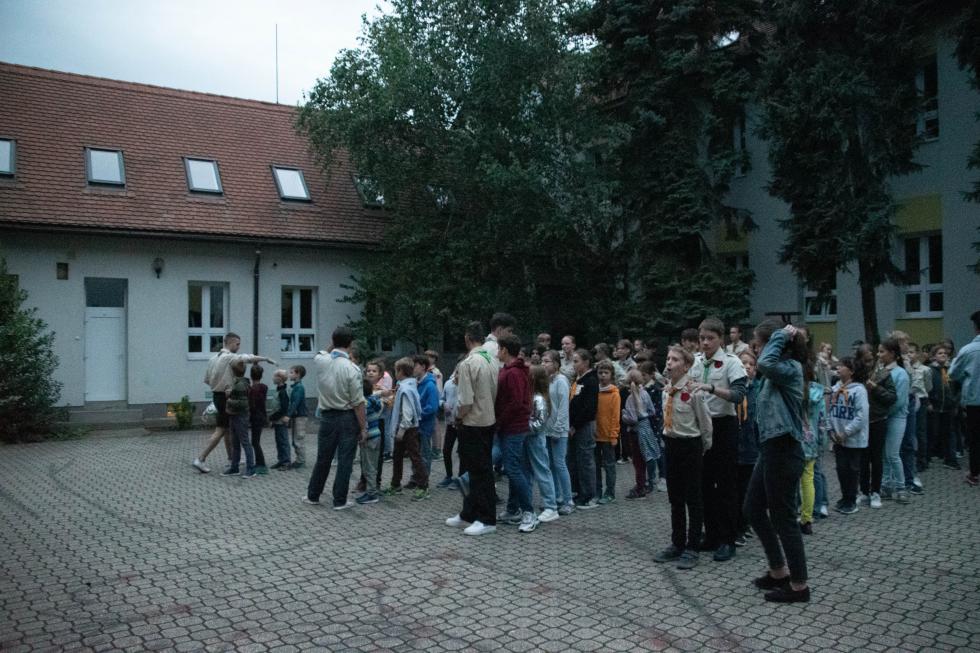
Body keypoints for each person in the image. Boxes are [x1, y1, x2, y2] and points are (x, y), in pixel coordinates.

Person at [744, 320, 810, 603]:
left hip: (785, 450)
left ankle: (799, 586)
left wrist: (781, 335)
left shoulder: (789, 368)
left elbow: (765, 363)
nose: (755, 349)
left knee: (783, 519)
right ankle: (778, 571)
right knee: (753, 508)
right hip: (770, 449)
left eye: (758, 344)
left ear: (774, 344)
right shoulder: (774, 374)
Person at [692, 317, 748, 563]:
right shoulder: (695, 361)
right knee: (704, 484)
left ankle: (728, 539)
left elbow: (738, 395)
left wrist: (711, 388)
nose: (705, 343)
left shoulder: (731, 363)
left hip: (724, 426)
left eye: (710, 338)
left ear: (720, 339)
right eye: (702, 338)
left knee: (725, 485)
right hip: (700, 426)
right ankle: (711, 534)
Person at [653, 345, 712, 570]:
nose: (669, 362)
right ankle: (677, 543)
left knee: (693, 498)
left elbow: (705, 423)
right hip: (671, 445)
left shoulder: (694, 391)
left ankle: (692, 547)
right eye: (668, 358)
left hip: (690, 445)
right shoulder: (667, 391)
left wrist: (703, 447)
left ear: (686, 366)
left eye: (675, 359)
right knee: (675, 498)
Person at [445, 321, 499, 536]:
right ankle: (469, 513)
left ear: (467, 338)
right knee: (476, 470)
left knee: (479, 472)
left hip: (472, 422)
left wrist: (457, 417)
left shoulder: (469, 363)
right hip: (487, 420)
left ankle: (486, 519)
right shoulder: (491, 359)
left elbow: (465, 400)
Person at [305, 327, 368, 510]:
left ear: (333, 341)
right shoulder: (352, 368)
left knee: (323, 458)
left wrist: (334, 342)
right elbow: (358, 402)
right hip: (347, 417)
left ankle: (313, 495)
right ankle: (339, 500)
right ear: (351, 344)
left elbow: (325, 351)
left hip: (326, 416)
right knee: (345, 460)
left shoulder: (321, 360)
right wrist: (363, 427)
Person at [194, 332, 275, 473]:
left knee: (227, 429)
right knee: (221, 429)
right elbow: (247, 358)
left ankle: (232, 459)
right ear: (230, 343)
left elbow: (207, 380)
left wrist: (218, 385)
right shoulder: (229, 357)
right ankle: (201, 458)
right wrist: (265, 359)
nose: (238, 347)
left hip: (217, 395)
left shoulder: (213, 359)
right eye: (237, 344)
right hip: (226, 397)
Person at [495, 334, 538, 533]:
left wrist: (500, 420)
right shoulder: (509, 370)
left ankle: (529, 512)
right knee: (513, 468)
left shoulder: (514, 373)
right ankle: (513, 509)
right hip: (509, 427)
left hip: (513, 427)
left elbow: (516, 402)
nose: (497, 351)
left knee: (514, 469)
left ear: (505, 350)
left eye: (499, 348)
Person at [827, 356, 869, 514]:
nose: (838, 368)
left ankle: (851, 500)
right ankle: (844, 497)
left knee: (852, 470)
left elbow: (861, 416)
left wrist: (846, 432)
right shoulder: (834, 388)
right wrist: (831, 430)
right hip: (837, 438)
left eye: (842, 366)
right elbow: (828, 410)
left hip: (853, 439)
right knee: (841, 469)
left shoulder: (859, 390)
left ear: (851, 371)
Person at [382, 358, 427, 499]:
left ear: (400, 371)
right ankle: (395, 484)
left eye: (396, 370)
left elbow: (408, 413)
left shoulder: (405, 389)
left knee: (415, 457)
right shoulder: (407, 386)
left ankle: (423, 486)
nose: (395, 373)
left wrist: (401, 431)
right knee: (397, 457)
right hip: (405, 428)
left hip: (407, 429)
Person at [876, 338, 911, 504]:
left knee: (893, 454)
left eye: (882, 351)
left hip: (896, 417)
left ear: (892, 353)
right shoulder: (881, 370)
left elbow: (900, 402)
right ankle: (886, 486)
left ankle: (901, 488)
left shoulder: (901, 374)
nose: (878, 355)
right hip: (884, 417)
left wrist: (883, 413)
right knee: (885, 454)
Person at [949, 309, 980, 486]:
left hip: (974, 400)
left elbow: (953, 374)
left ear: (975, 327)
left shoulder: (968, 350)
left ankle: (974, 473)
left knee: (975, 438)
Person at [541, 350, 574, 515]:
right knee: (550, 465)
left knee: (560, 464)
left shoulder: (561, 381)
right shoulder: (546, 381)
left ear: (555, 363)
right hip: (546, 429)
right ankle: (555, 497)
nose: (543, 364)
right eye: (542, 361)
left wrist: (558, 428)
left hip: (558, 430)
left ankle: (568, 500)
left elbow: (563, 408)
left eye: (547, 361)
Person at [859, 343, 890, 509]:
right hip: (862, 422)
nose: (867, 364)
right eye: (864, 361)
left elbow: (891, 397)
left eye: (870, 360)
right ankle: (864, 491)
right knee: (863, 458)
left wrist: (876, 388)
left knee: (876, 458)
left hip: (878, 420)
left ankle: (876, 491)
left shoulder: (884, 374)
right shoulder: (857, 375)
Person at [622, 368, 661, 499]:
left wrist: (624, 415)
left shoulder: (630, 399)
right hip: (647, 428)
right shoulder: (645, 394)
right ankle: (649, 482)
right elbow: (652, 411)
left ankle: (640, 487)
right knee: (648, 456)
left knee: (638, 461)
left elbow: (632, 419)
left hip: (636, 431)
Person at [527, 363, 559, 523]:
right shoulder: (532, 396)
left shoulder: (539, 399)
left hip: (535, 439)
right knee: (530, 471)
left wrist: (522, 426)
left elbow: (539, 423)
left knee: (542, 470)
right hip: (529, 438)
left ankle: (551, 506)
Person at [568, 348, 599, 509]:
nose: (573, 365)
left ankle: (589, 495)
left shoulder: (591, 381)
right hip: (574, 426)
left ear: (586, 362)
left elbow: (589, 408)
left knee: (586, 460)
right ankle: (578, 491)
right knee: (576, 460)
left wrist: (575, 425)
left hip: (584, 426)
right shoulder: (578, 380)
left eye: (576, 361)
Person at [734, 350, 759, 546]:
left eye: (751, 364)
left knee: (747, 489)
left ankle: (745, 523)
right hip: (734, 446)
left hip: (751, 447)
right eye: (744, 363)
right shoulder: (733, 388)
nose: (748, 367)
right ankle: (737, 528)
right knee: (735, 490)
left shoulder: (758, 389)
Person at [798, 379, 826, 534]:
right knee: (808, 480)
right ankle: (807, 519)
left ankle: (789, 517)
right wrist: (822, 441)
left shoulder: (790, 387)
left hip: (794, 440)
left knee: (790, 481)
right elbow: (822, 420)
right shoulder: (818, 392)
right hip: (811, 440)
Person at [221, 360, 257, 478]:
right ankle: (234, 467)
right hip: (234, 415)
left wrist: (228, 398)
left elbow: (242, 403)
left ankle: (251, 469)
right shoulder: (238, 383)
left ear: (233, 371)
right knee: (235, 443)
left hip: (240, 416)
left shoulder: (240, 384)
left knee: (245, 442)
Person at [929, 345, 960, 471]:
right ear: (934, 356)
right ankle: (929, 455)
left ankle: (951, 459)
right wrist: (929, 402)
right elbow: (927, 387)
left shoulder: (952, 369)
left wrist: (955, 402)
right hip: (935, 406)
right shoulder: (930, 370)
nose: (943, 355)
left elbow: (957, 387)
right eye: (940, 353)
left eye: (945, 353)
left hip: (949, 406)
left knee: (950, 433)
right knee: (934, 432)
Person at [415, 354, 440, 498]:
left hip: (424, 425)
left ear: (423, 367)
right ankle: (418, 479)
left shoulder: (430, 385)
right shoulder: (417, 382)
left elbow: (432, 407)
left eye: (415, 366)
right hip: (417, 425)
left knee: (424, 455)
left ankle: (424, 485)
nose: (413, 368)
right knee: (417, 454)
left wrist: (417, 415)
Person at [355, 379, 383, 505]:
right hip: (377, 434)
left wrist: (363, 433)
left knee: (368, 466)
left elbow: (363, 420)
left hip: (369, 437)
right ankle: (372, 490)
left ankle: (372, 493)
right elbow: (380, 408)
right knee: (373, 465)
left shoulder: (364, 403)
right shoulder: (374, 400)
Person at [437, 359, 464, 488]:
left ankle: (461, 478)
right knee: (446, 450)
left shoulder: (466, 386)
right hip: (450, 423)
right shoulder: (448, 383)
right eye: (457, 372)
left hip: (463, 424)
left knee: (463, 452)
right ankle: (448, 476)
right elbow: (441, 399)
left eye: (461, 373)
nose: (457, 375)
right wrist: (443, 404)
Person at [908, 343, 933, 474]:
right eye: (907, 352)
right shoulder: (904, 368)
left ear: (917, 354)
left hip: (921, 400)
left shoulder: (925, 369)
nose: (909, 355)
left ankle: (922, 460)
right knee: (910, 431)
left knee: (920, 431)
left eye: (912, 352)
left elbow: (928, 387)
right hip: (908, 400)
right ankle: (910, 458)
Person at [247, 364, 269, 475]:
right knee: (256, 441)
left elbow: (252, 405)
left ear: (251, 375)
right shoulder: (264, 387)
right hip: (261, 416)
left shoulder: (252, 390)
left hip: (255, 417)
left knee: (255, 442)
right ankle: (259, 463)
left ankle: (261, 464)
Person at [268, 369, 292, 470]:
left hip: (281, 420)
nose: (273, 378)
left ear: (280, 378)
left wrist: (271, 418)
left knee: (283, 441)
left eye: (274, 376)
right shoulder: (279, 390)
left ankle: (286, 462)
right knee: (279, 441)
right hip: (277, 420)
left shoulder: (283, 392)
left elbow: (283, 409)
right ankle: (281, 460)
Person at [287, 365, 309, 469]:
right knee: (296, 439)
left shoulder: (299, 387)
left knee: (299, 439)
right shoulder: (296, 387)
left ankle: (301, 461)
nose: (289, 374)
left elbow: (295, 402)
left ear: (298, 374)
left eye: (292, 372)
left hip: (300, 416)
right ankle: (299, 460)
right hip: (297, 416)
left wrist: (288, 415)